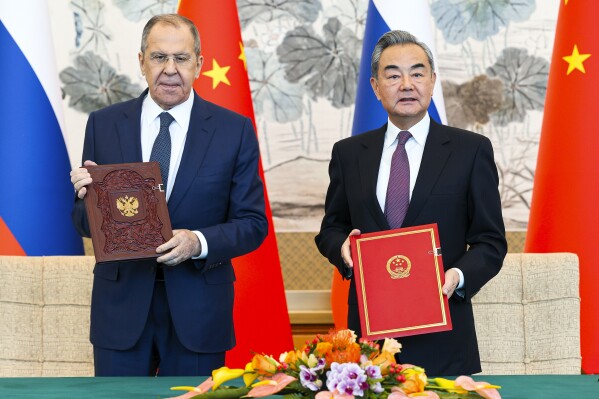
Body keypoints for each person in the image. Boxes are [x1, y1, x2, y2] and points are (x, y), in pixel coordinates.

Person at [70, 14, 268, 376]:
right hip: (121, 310)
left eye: (182, 58)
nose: (170, 69)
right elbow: (84, 224)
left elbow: (253, 224)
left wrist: (198, 241)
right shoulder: (104, 123)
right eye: (159, 57)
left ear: (199, 64)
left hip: (199, 311)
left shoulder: (233, 131)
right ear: (141, 61)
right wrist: (88, 201)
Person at [315, 30, 507, 376]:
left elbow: (490, 242)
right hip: (367, 341)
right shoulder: (348, 153)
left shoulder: (470, 151)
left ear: (433, 82)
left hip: (443, 335)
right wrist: (342, 248)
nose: (406, 84)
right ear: (375, 86)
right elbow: (331, 228)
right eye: (393, 75)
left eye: (417, 73)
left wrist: (457, 277)